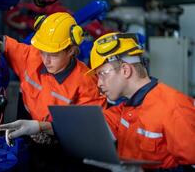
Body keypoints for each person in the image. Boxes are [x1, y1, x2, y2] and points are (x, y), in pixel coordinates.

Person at [0, 12, 106, 171]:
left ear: (71, 51)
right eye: (42, 51)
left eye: (53, 54)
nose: (45, 60)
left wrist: (47, 130)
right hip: (26, 139)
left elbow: (91, 131)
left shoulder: (86, 84)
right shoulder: (31, 57)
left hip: (62, 152)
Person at [84, 32, 195, 171]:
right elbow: (94, 125)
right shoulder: (127, 107)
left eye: (102, 74)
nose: (99, 83)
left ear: (125, 70)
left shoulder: (174, 107)